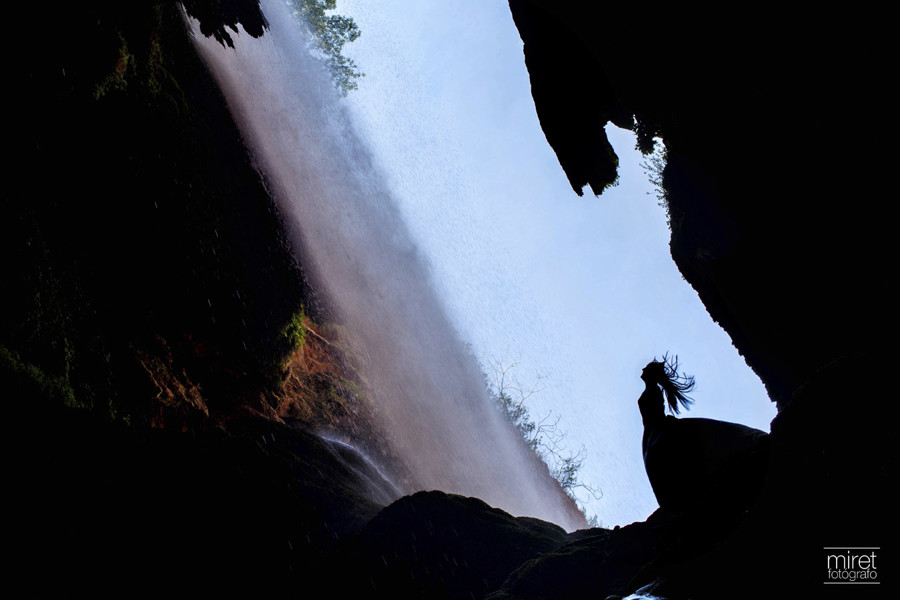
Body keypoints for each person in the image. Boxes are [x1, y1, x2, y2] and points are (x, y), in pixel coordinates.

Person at [639, 355, 769, 512]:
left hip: (658, 432)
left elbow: (655, 415)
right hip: (655, 432)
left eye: (645, 368)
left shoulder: (653, 391)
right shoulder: (652, 391)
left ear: (651, 373)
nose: (642, 370)